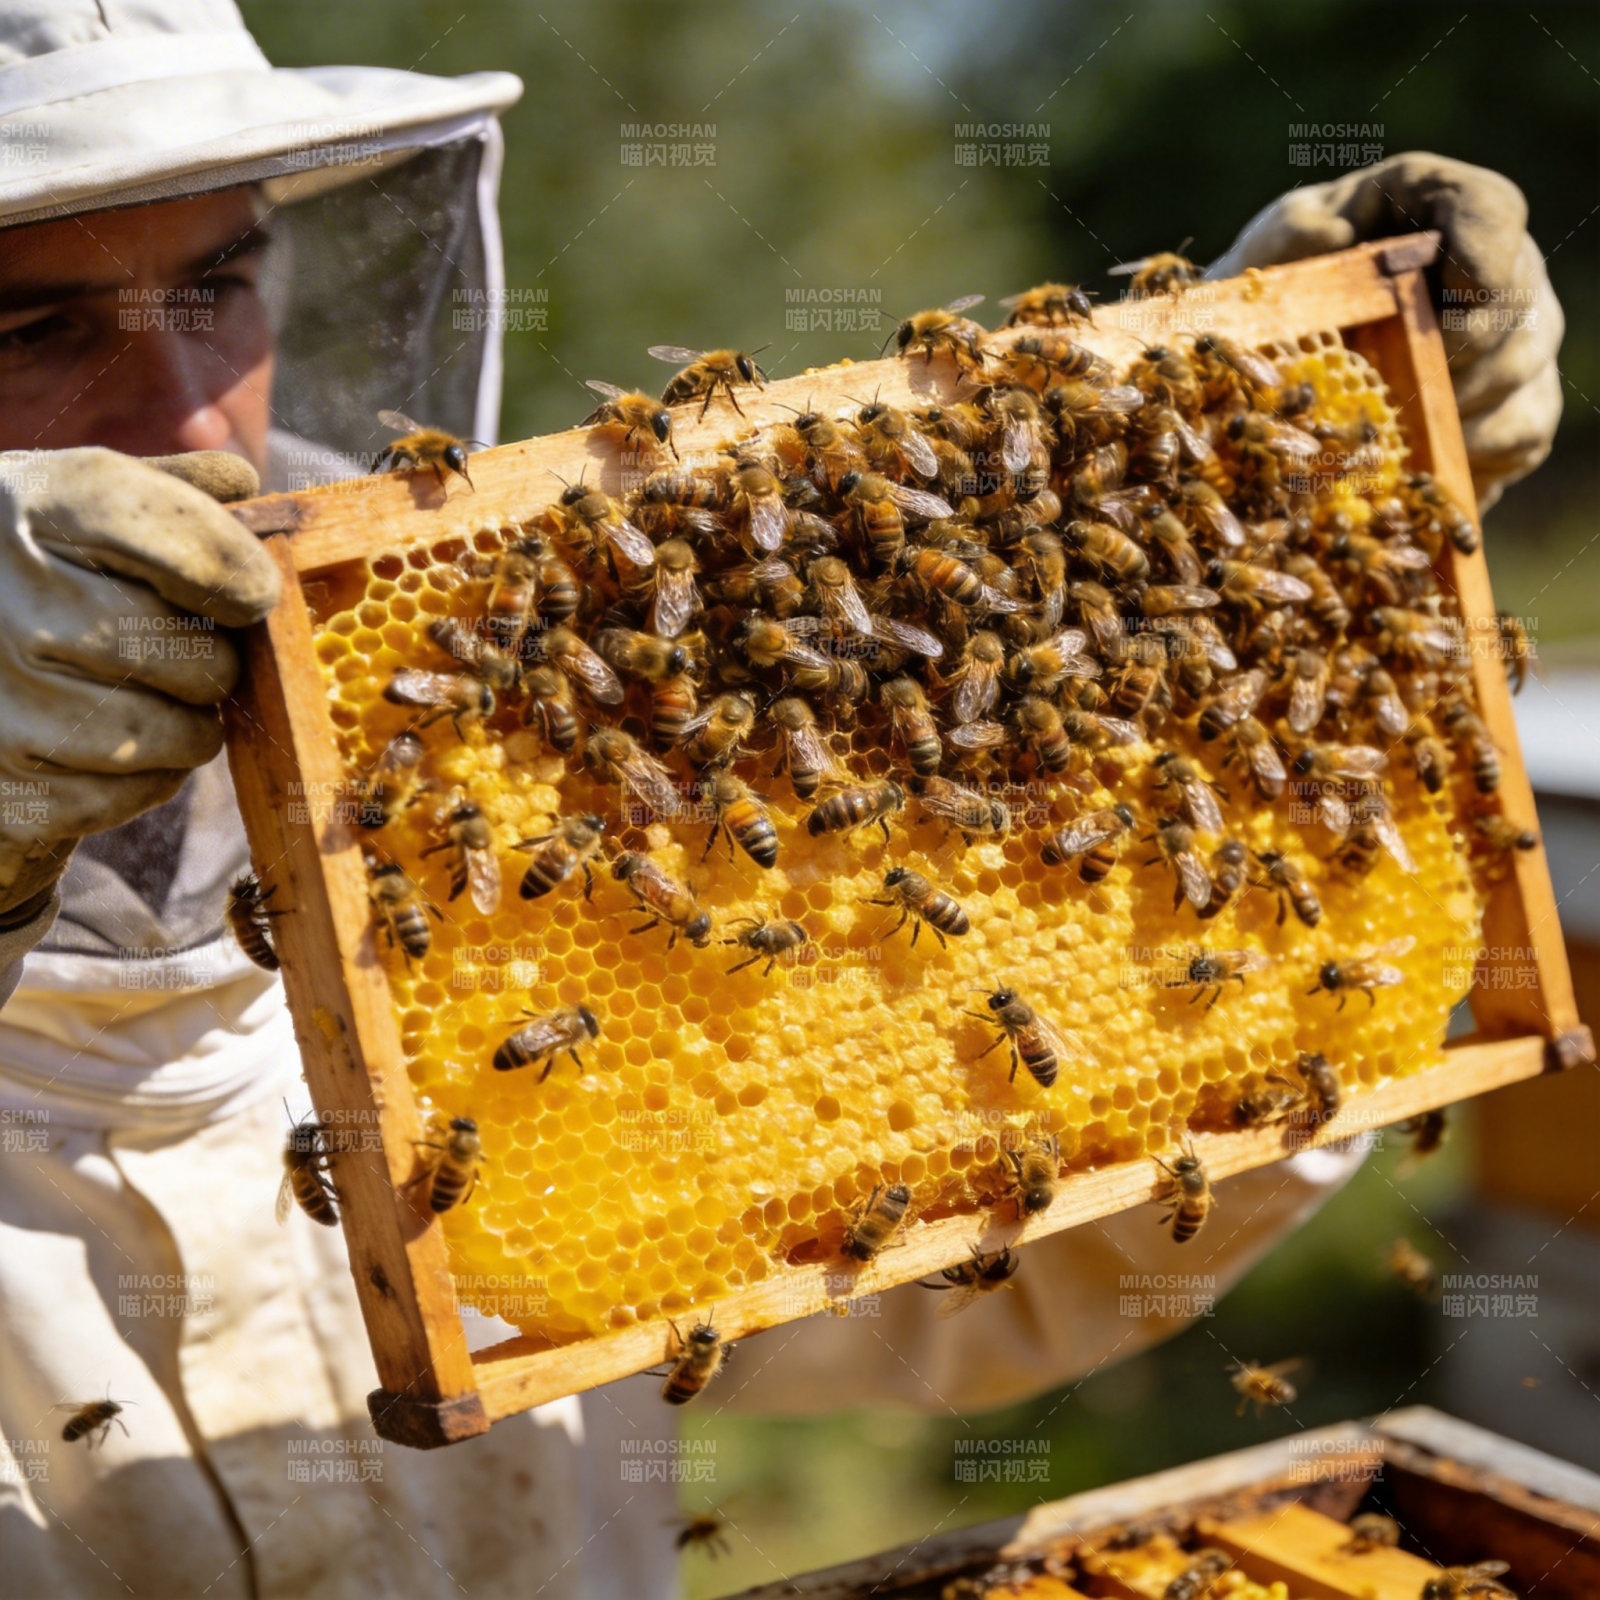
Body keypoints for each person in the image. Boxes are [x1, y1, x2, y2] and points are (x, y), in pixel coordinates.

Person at [0, 4, 1564, 1598]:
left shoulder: (482, 759)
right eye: (31, 332)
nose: (194, 417)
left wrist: (1264, 519)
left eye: (219, 282)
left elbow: (954, 1261)